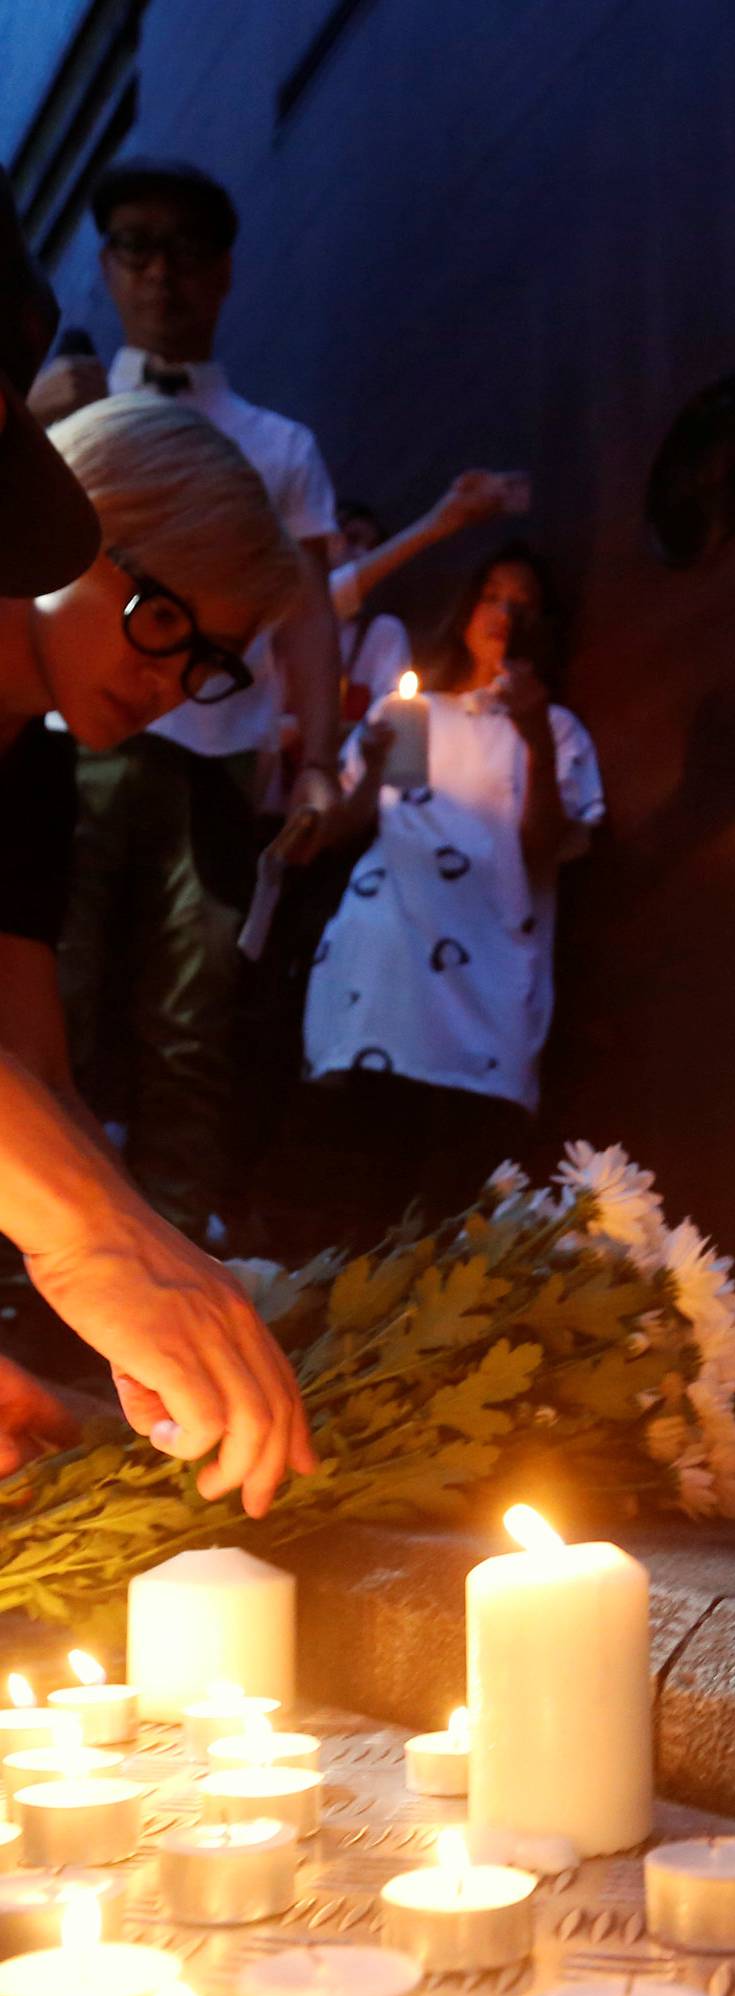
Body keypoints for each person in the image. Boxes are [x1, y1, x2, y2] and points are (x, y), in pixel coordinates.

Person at [0, 373, 315, 1509]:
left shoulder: (34, 769)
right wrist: (100, 1241)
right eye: (164, 622)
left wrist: (154, 1263)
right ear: (72, 519)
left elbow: (34, 1074)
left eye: (207, 663)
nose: (172, 684)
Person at [55, 157, 341, 1244]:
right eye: (135, 244)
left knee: (193, 1012)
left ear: (222, 272)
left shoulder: (281, 444)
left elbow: (310, 611)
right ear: (106, 266)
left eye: (183, 248)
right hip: (68, 736)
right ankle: (34, 1255)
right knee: (54, 985)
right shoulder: (66, 404)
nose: (160, 271)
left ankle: (171, 1243)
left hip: (216, 751)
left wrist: (315, 755)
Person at [289, 544, 604, 1241]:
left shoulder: (553, 727)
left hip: (489, 967)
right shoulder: (416, 714)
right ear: (467, 610)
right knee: (373, 1172)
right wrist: (368, 768)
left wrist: (535, 741)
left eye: (523, 604)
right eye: (494, 595)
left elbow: (543, 849)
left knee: (461, 1185)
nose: (505, 614)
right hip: (391, 954)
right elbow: (346, 826)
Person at [329, 471, 526, 723]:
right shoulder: (285, 616)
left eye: (374, 549)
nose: (362, 554)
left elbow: (386, 728)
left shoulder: (383, 635)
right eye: (352, 539)